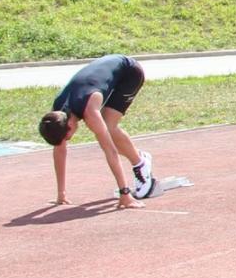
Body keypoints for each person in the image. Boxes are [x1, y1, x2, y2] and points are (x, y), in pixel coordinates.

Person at [39, 54, 155, 207]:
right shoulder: (57, 115)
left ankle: (140, 163)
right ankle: (139, 156)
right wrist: (61, 194)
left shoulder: (89, 111)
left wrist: (125, 194)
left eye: (67, 138)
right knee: (106, 128)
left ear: (70, 126)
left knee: (109, 127)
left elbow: (110, 151)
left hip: (129, 72)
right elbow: (59, 151)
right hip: (105, 71)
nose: (67, 141)